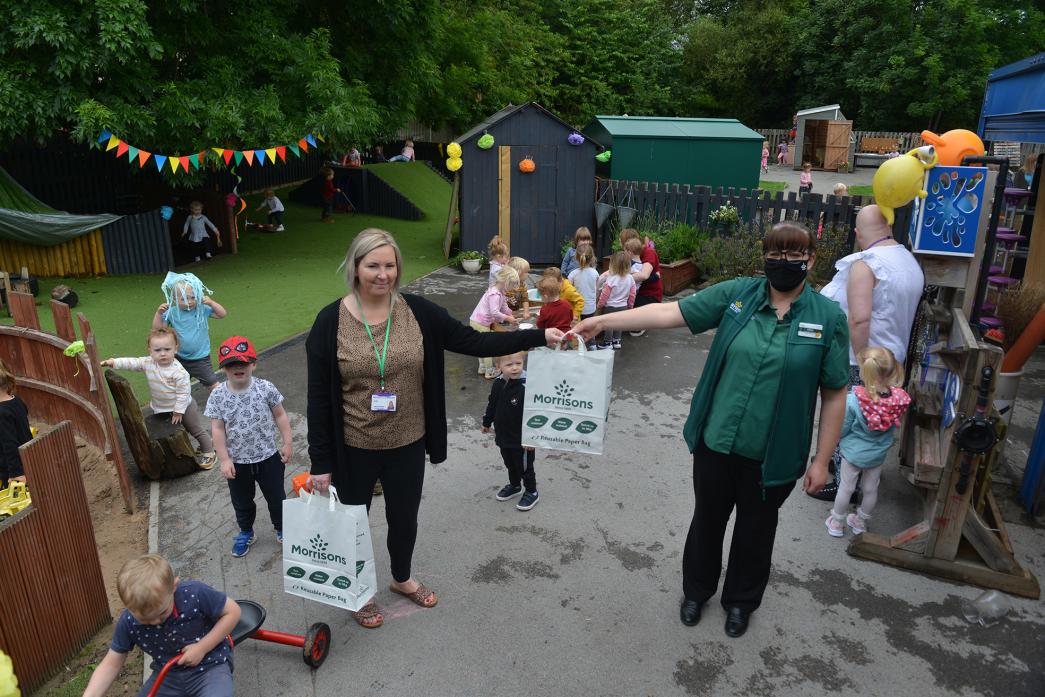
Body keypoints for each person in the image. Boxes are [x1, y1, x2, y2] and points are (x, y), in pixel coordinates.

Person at [571, 222, 849, 638]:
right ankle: (696, 591)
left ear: (811, 259)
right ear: (765, 256)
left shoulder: (828, 318)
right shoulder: (739, 294)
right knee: (707, 521)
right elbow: (671, 312)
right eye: (776, 252)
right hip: (717, 440)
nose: (784, 262)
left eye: (795, 255)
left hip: (773, 453)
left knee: (757, 531)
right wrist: (604, 322)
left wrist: (823, 459)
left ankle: (740, 602)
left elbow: (834, 394)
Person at [304, 229, 564, 629]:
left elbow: (473, 342)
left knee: (404, 519)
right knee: (350, 524)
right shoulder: (329, 322)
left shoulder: (418, 312)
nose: (382, 274)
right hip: (353, 447)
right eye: (373, 265)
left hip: (408, 441)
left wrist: (539, 337)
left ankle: (401, 578)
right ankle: (357, 591)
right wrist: (321, 462)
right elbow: (319, 398)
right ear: (355, 268)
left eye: (390, 265)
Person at [812, 203, 924, 501]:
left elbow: (859, 319)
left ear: (857, 233)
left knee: (848, 419)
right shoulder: (908, 260)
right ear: (888, 227)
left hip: (863, 357)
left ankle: (846, 485)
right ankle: (865, 477)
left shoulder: (867, 263)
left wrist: (862, 360)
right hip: (892, 356)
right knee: (875, 421)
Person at [82, 554, 240, 697]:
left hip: (209, 666)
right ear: (128, 608)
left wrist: (202, 647)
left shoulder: (194, 594)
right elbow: (111, 664)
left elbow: (233, 612)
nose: (155, 622)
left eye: (163, 613)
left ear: (174, 587)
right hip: (167, 676)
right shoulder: (128, 622)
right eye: (145, 620)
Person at [205, 336, 291, 557]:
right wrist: (223, 459)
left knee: (276, 497)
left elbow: (280, 415)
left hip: (268, 456)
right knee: (242, 501)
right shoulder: (218, 395)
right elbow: (217, 430)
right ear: (224, 368)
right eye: (231, 364)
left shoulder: (265, 388)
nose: (238, 368)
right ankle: (246, 531)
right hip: (237, 462)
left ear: (253, 363)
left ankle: (282, 527)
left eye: (243, 363)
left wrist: (287, 442)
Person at [102, 328, 216, 469]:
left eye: (167, 349)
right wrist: (114, 362)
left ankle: (209, 451)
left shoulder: (178, 372)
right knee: (174, 432)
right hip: (163, 407)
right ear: (150, 350)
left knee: (195, 429)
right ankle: (192, 448)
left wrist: (179, 411)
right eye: (157, 350)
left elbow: (183, 393)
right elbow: (133, 362)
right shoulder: (149, 363)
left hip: (184, 407)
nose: (162, 353)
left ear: (175, 349)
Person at [826, 347, 910, 537]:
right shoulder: (898, 400)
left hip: (853, 453)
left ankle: (837, 522)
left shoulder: (854, 401)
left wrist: (837, 440)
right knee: (871, 489)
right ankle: (860, 521)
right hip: (877, 455)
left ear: (865, 372)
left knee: (846, 487)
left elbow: (844, 427)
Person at [481, 351, 539, 510]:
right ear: (498, 366)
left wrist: (532, 438)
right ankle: (515, 486)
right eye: (509, 365)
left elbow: (536, 414)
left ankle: (532, 491)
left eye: (518, 364)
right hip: (503, 435)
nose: (515, 368)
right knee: (510, 463)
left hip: (523, 439)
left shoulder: (528, 385)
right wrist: (486, 422)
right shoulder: (498, 383)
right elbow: (492, 404)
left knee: (525, 467)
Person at [153, 273, 227, 393]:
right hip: (178, 358)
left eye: (193, 297)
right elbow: (158, 330)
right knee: (175, 387)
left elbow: (222, 314)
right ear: (175, 299)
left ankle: (225, 402)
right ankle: (178, 408)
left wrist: (212, 303)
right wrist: (158, 314)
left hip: (200, 359)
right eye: (184, 298)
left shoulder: (201, 309)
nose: (190, 302)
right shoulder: (172, 312)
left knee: (213, 384)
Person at [469, 266, 520, 379]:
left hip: (477, 321)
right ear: (505, 282)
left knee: (480, 346)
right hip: (481, 323)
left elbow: (504, 306)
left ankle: (482, 367)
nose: (512, 288)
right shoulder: (495, 294)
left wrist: (510, 314)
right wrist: (508, 318)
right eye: (512, 285)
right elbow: (495, 313)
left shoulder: (499, 291)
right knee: (486, 348)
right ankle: (489, 371)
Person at [620, 228, 662, 337]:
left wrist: (620, 278)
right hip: (636, 291)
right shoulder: (629, 255)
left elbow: (644, 275)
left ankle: (644, 320)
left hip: (648, 294)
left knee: (633, 326)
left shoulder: (649, 253)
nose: (620, 244)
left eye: (622, 241)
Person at [0, 360, 32, 488]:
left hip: (14, 472)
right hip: (29, 460)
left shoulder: (1, 413)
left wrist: (16, 473)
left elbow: (10, 444)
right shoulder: (16, 401)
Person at [596, 251, 636, 350]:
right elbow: (632, 294)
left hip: (610, 306)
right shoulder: (630, 278)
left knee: (609, 324)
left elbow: (605, 294)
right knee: (619, 323)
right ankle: (617, 341)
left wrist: (600, 305)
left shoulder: (611, 278)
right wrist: (630, 306)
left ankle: (608, 343)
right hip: (623, 306)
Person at [568, 243, 599, 349]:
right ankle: (592, 345)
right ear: (592, 258)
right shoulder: (595, 273)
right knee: (590, 328)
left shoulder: (572, 274)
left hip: (577, 309)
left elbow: (569, 292)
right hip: (591, 307)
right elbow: (595, 289)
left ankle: (578, 346)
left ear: (576, 258)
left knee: (578, 328)